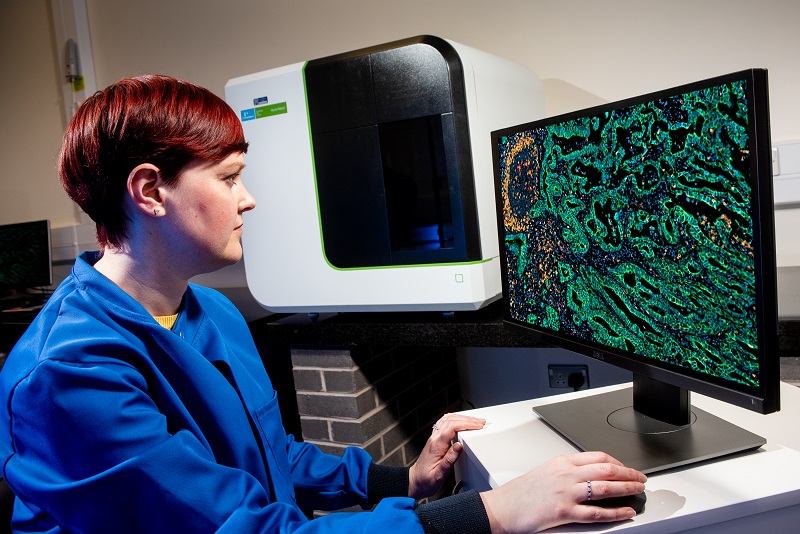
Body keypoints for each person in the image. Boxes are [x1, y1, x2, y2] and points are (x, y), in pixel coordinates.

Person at [0, 75, 646, 533]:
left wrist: (403, 482)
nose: (248, 199)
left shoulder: (210, 311)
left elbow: (268, 453)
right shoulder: (69, 375)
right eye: (228, 178)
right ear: (149, 191)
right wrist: (493, 513)